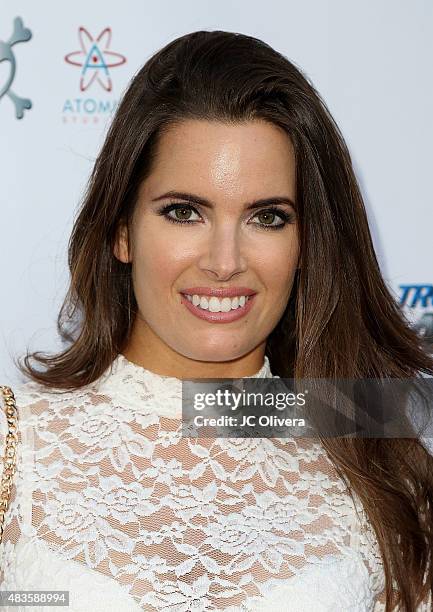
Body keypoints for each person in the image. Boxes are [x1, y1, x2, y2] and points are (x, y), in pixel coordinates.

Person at [1, 29, 432, 611]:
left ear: (309, 242)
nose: (225, 263)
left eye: (267, 218)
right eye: (184, 212)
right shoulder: (17, 445)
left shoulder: (379, 454)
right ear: (121, 228)